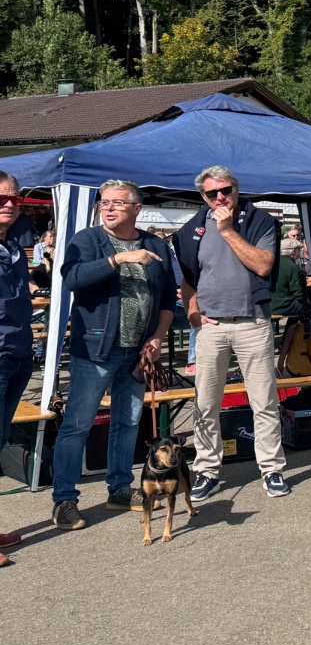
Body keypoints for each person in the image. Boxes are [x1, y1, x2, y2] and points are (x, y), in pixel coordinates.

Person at [49, 180, 178, 530]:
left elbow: (167, 297)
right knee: (77, 425)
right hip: (95, 350)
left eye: (118, 203)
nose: (108, 208)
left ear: (137, 208)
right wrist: (118, 258)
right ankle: (64, 500)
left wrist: (157, 337)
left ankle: (120, 488)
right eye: (104, 202)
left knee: (128, 422)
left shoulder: (155, 245)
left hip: (138, 351)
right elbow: (72, 278)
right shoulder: (88, 240)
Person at [175, 166, 290, 500]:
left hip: (252, 322)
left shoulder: (260, 222)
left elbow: (263, 265)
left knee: (264, 402)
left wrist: (226, 231)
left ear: (237, 189)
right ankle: (207, 471)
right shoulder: (192, 229)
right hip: (211, 328)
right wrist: (193, 314)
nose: (220, 197)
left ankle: (271, 469)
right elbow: (187, 279)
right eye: (212, 193)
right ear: (203, 196)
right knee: (205, 404)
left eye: (225, 190)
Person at [0, 172, 32, 566]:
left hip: (18, 354)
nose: (9, 204)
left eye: (14, 199)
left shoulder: (13, 247)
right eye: (1, 198)